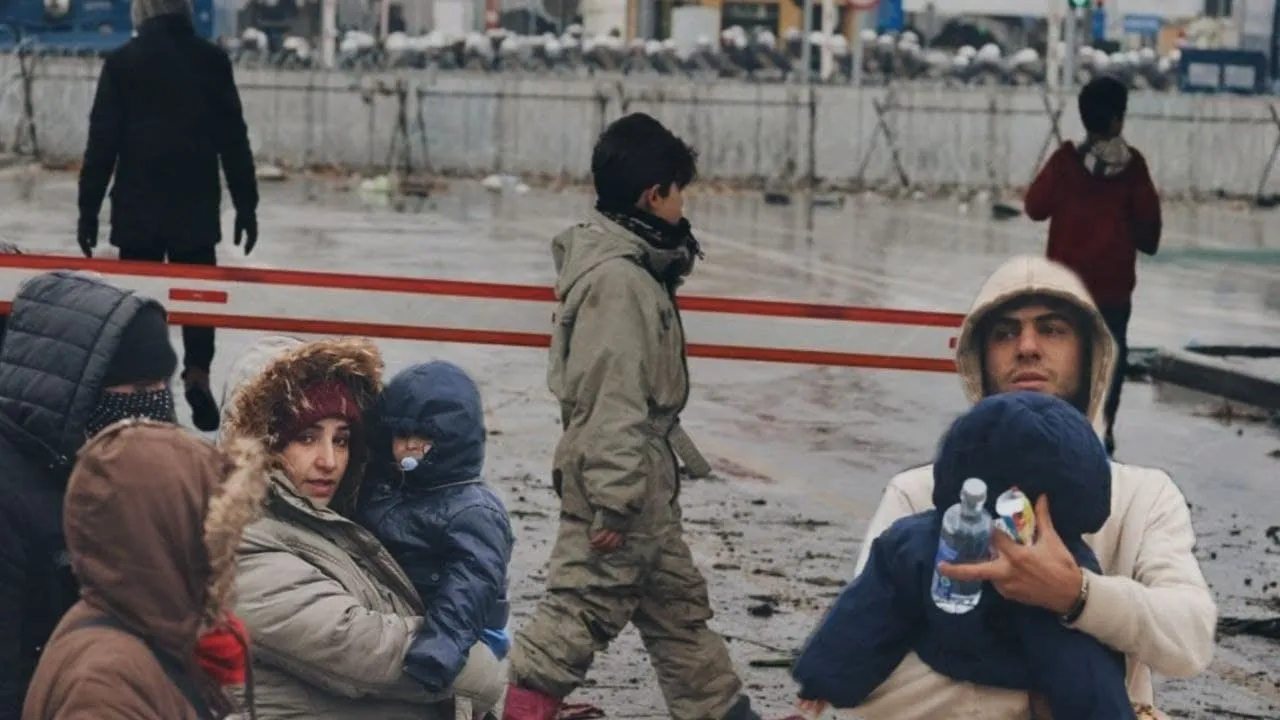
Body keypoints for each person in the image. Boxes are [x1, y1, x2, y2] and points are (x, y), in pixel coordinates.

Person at [841, 255, 1215, 720]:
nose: (1027, 347)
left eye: (1052, 329)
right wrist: (1034, 701)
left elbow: (1189, 640)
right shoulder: (919, 495)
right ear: (979, 361)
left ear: (1089, 356)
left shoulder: (1142, 495)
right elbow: (863, 666)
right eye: (1004, 333)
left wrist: (1077, 595)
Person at [506, 113, 769, 720]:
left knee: (678, 611)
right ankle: (521, 710)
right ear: (654, 195)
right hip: (621, 481)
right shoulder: (621, 283)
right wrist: (616, 499)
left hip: (642, 479)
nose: (684, 207)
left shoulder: (636, 268)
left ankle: (724, 713)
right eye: (680, 193)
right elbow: (612, 397)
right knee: (581, 607)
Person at [792, 392, 1133, 720]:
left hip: (943, 656)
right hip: (1019, 677)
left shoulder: (917, 539)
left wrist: (824, 678)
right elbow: (1088, 671)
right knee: (1072, 648)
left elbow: (868, 610)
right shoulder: (1063, 569)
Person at [219, 336, 502, 719]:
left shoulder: (332, 519)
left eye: (341, 439)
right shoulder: (239, 539)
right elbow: (358, 647)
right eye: (306, 438)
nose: (329, 460)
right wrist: (484, 669)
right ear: (260, 443)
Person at [0, 270, 182, 720]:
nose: (156, 403)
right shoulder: (12, 500)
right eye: (138, 390)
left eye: (162, 385)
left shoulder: (120, 470)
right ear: (78, 391)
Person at [76, 0, 260, 433]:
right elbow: (233, 138)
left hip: (137, 208)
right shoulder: (212, 61)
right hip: (195, 206)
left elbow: (101, 144)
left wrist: (88, 210)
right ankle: (197, 373)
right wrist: (246, 204)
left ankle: (143, 388)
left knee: (140, 304)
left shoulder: (122, 63)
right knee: (198, 295)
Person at [22, 420, 268, 720]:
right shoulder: (105, 682)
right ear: (173, 535)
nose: (228, 554)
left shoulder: (140, 630)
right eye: (218, 536)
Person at [360, 360, 515, 717]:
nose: (409, 446)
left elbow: (471, 583)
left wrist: (440, 646)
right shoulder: (389, 489)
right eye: (401, 436)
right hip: (405, 618)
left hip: (461, 633)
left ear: (453, 439)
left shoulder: (473, 510)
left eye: (424, 438)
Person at [1024, 76, 1162, 455]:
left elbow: (1034, 207)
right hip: (1112, 293)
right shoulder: (1134, 169)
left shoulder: (1065, 162)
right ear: (1117, 120)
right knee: (1108, 364)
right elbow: (1150, 236)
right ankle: (1100, 432)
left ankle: (1058, 431)